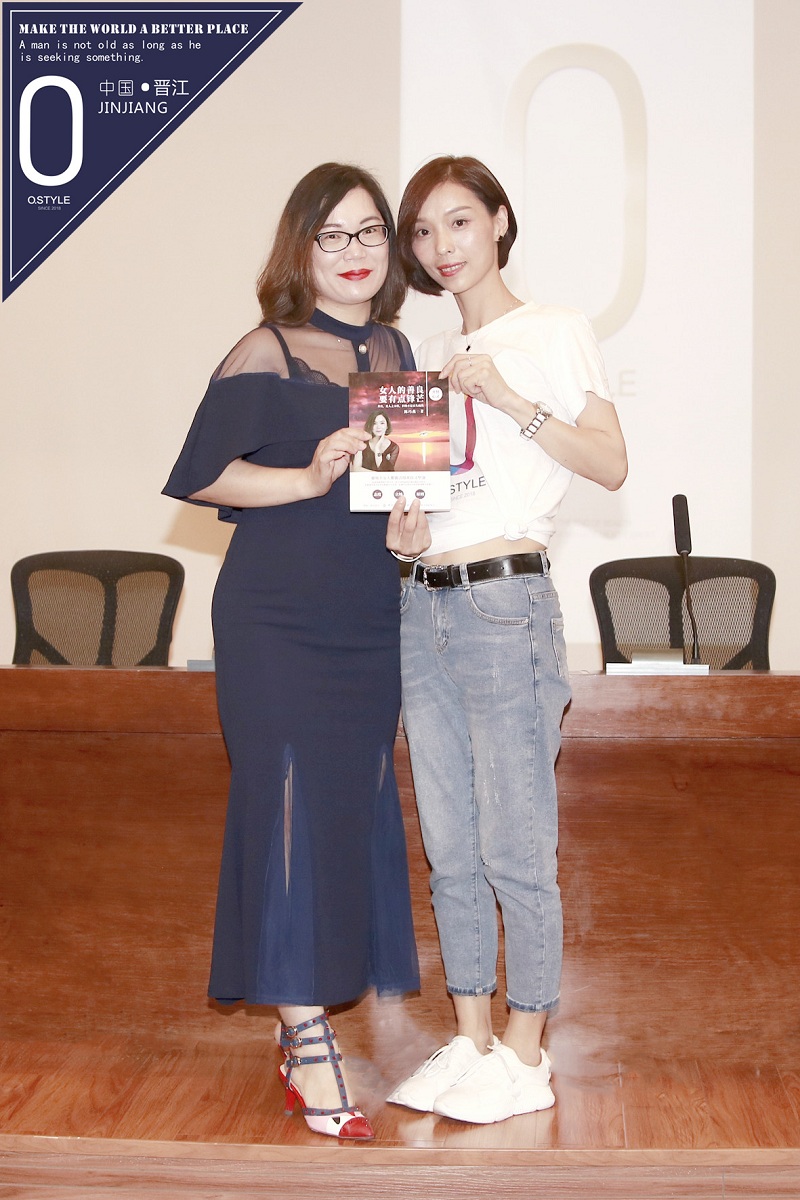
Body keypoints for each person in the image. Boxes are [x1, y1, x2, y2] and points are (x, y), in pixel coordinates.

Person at [163, 163, 420, 1141]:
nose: (355, 253)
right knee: (281, 813)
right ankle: (306, 1037)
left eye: (370, 233)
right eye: (333, 236)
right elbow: (201, 477)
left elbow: (396, 502)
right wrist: (306, 477)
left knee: (344, 816)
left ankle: (302, 1020)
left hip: (370, 614)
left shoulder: (396, 350)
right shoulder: (265, 349)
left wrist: (410, 527)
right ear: (301, 249)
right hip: (275, 618)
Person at [386, 156, 627, 1125]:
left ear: (497, 221)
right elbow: (421, 505)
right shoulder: (424, 357)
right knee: (448, 846)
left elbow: (609, 462)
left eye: (458, 221)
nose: (440, 246)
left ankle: (527, 1052)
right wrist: (404, 533)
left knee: (514, 843)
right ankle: (472, 1036)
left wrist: (510, 400)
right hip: (422, 603)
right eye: (422, 231)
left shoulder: (553, 330)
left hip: (503, 603)